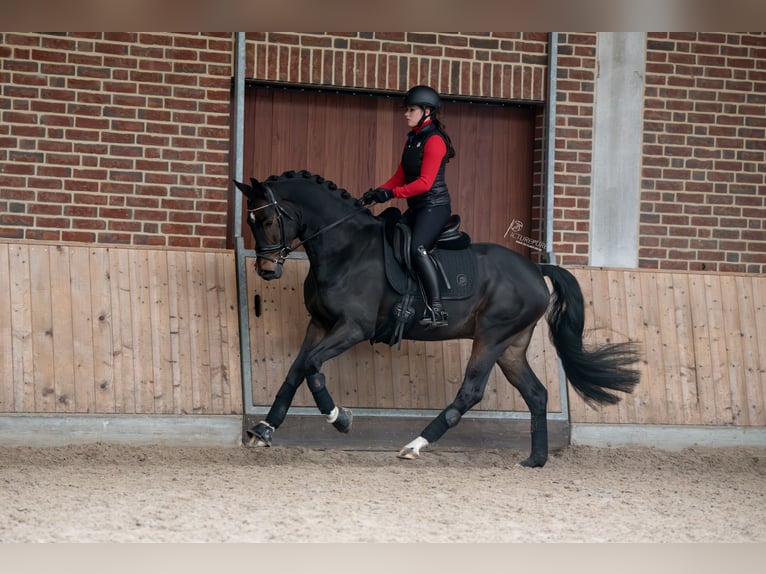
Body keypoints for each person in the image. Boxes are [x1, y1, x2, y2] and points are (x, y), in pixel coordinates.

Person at [363, 85, 456, 327]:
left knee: (417, 248)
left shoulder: (435, 141)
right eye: (407, 110)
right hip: (417, 208)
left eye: (411, 109)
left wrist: (392, 194)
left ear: (427, 111)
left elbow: (425, 184)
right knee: (390, 238)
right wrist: (378, 192)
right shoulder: (413, 139)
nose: (406, 114)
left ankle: (436, 309)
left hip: (434, 207)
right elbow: (400, 176)